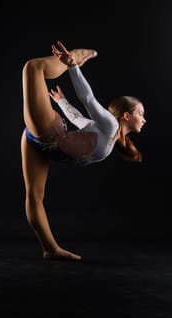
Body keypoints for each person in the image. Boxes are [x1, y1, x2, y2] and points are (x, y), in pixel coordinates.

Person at [20, 40, 146, 261]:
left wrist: (62, 101)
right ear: (126, 115)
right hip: (49, 133)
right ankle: (75, 55)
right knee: (33, 68)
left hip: (42, 147)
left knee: (34, 196)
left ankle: (50, 249)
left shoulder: (107, 133)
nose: (144, 119)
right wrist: (73, 66)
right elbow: (88, 99)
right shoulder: (111, 124)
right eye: (140, 113)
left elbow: (79, 119)